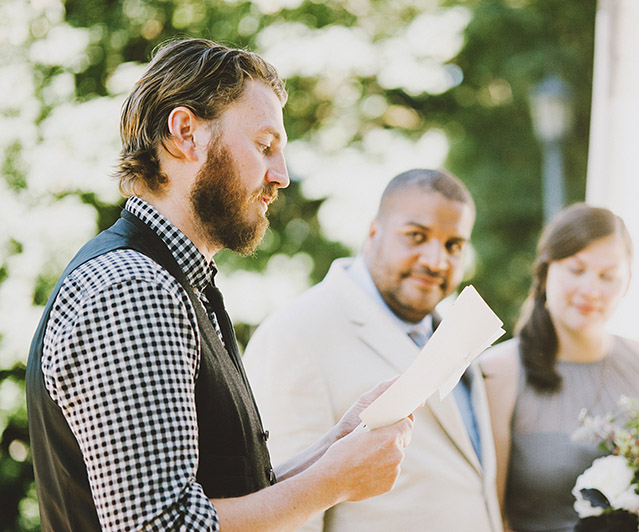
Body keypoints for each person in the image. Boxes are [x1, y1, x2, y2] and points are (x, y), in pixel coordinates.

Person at [25, 38, 414, 532]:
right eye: (264, 145)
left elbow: (217, 500)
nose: (282, 176)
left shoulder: (175, 283)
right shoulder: (132, 289)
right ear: (186, 133)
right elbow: (161, 527)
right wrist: (335, 481)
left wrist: (334, 449)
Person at [243, 168, 503, 532]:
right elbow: (283, 511)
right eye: (416, 236)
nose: (436, 260)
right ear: (373, 233)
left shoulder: (453, 335)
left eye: (453, 245)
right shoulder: (296, 334)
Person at [479, 203, 639, 532]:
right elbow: (488, 514)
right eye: (576, 270)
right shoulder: (499, 371)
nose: (591, 290)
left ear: (628, 281)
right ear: (545, 271)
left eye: (608, 276)